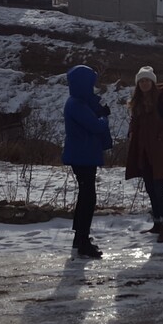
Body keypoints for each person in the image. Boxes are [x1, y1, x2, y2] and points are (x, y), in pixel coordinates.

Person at [124, 66, 163, 243]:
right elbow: (136, 122)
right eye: (141, 81)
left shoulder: (162, 100)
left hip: (159, 152)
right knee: (150, 189)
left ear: (152, 82)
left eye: (147, 80)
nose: (144, 83)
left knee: (159, 189)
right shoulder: (137, 102)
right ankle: (157, 223)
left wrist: (162, 137)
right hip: (143, 152)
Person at [61, 65, 113, 259]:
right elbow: (96, 127)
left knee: (86, 198)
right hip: (83, 156)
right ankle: (82, 241)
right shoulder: (76, 104)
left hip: (83, 155)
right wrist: (104, 117)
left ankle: (80, 239)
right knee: (87, 199)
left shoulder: (76, 102)